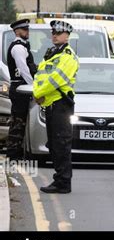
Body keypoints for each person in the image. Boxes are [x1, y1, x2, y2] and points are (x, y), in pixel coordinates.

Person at [33, 21, 79, 193]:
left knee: (61, 143)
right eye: (53, 32)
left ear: (67, 36)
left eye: (59, 33)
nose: (54, 35)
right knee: (53, 144)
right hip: (51, 104)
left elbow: (55, 80)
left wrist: (38, 93)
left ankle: (63, 182)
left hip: (61, 104)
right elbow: (40, 77)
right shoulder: (51, 54)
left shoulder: (68, 56)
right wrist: (38, 93)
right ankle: (60, 179)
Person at [5, 19, 37, 159]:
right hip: (20, 87)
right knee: (18, 121)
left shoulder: (23, 46)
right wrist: (33, 87)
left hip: (22, 86)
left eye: (27, 29)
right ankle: (13, 153)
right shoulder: (18, 47)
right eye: (24, 30)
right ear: (17, 31)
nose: (27, 32)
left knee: (22, 119)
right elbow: (23, 70)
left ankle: (17, 152)